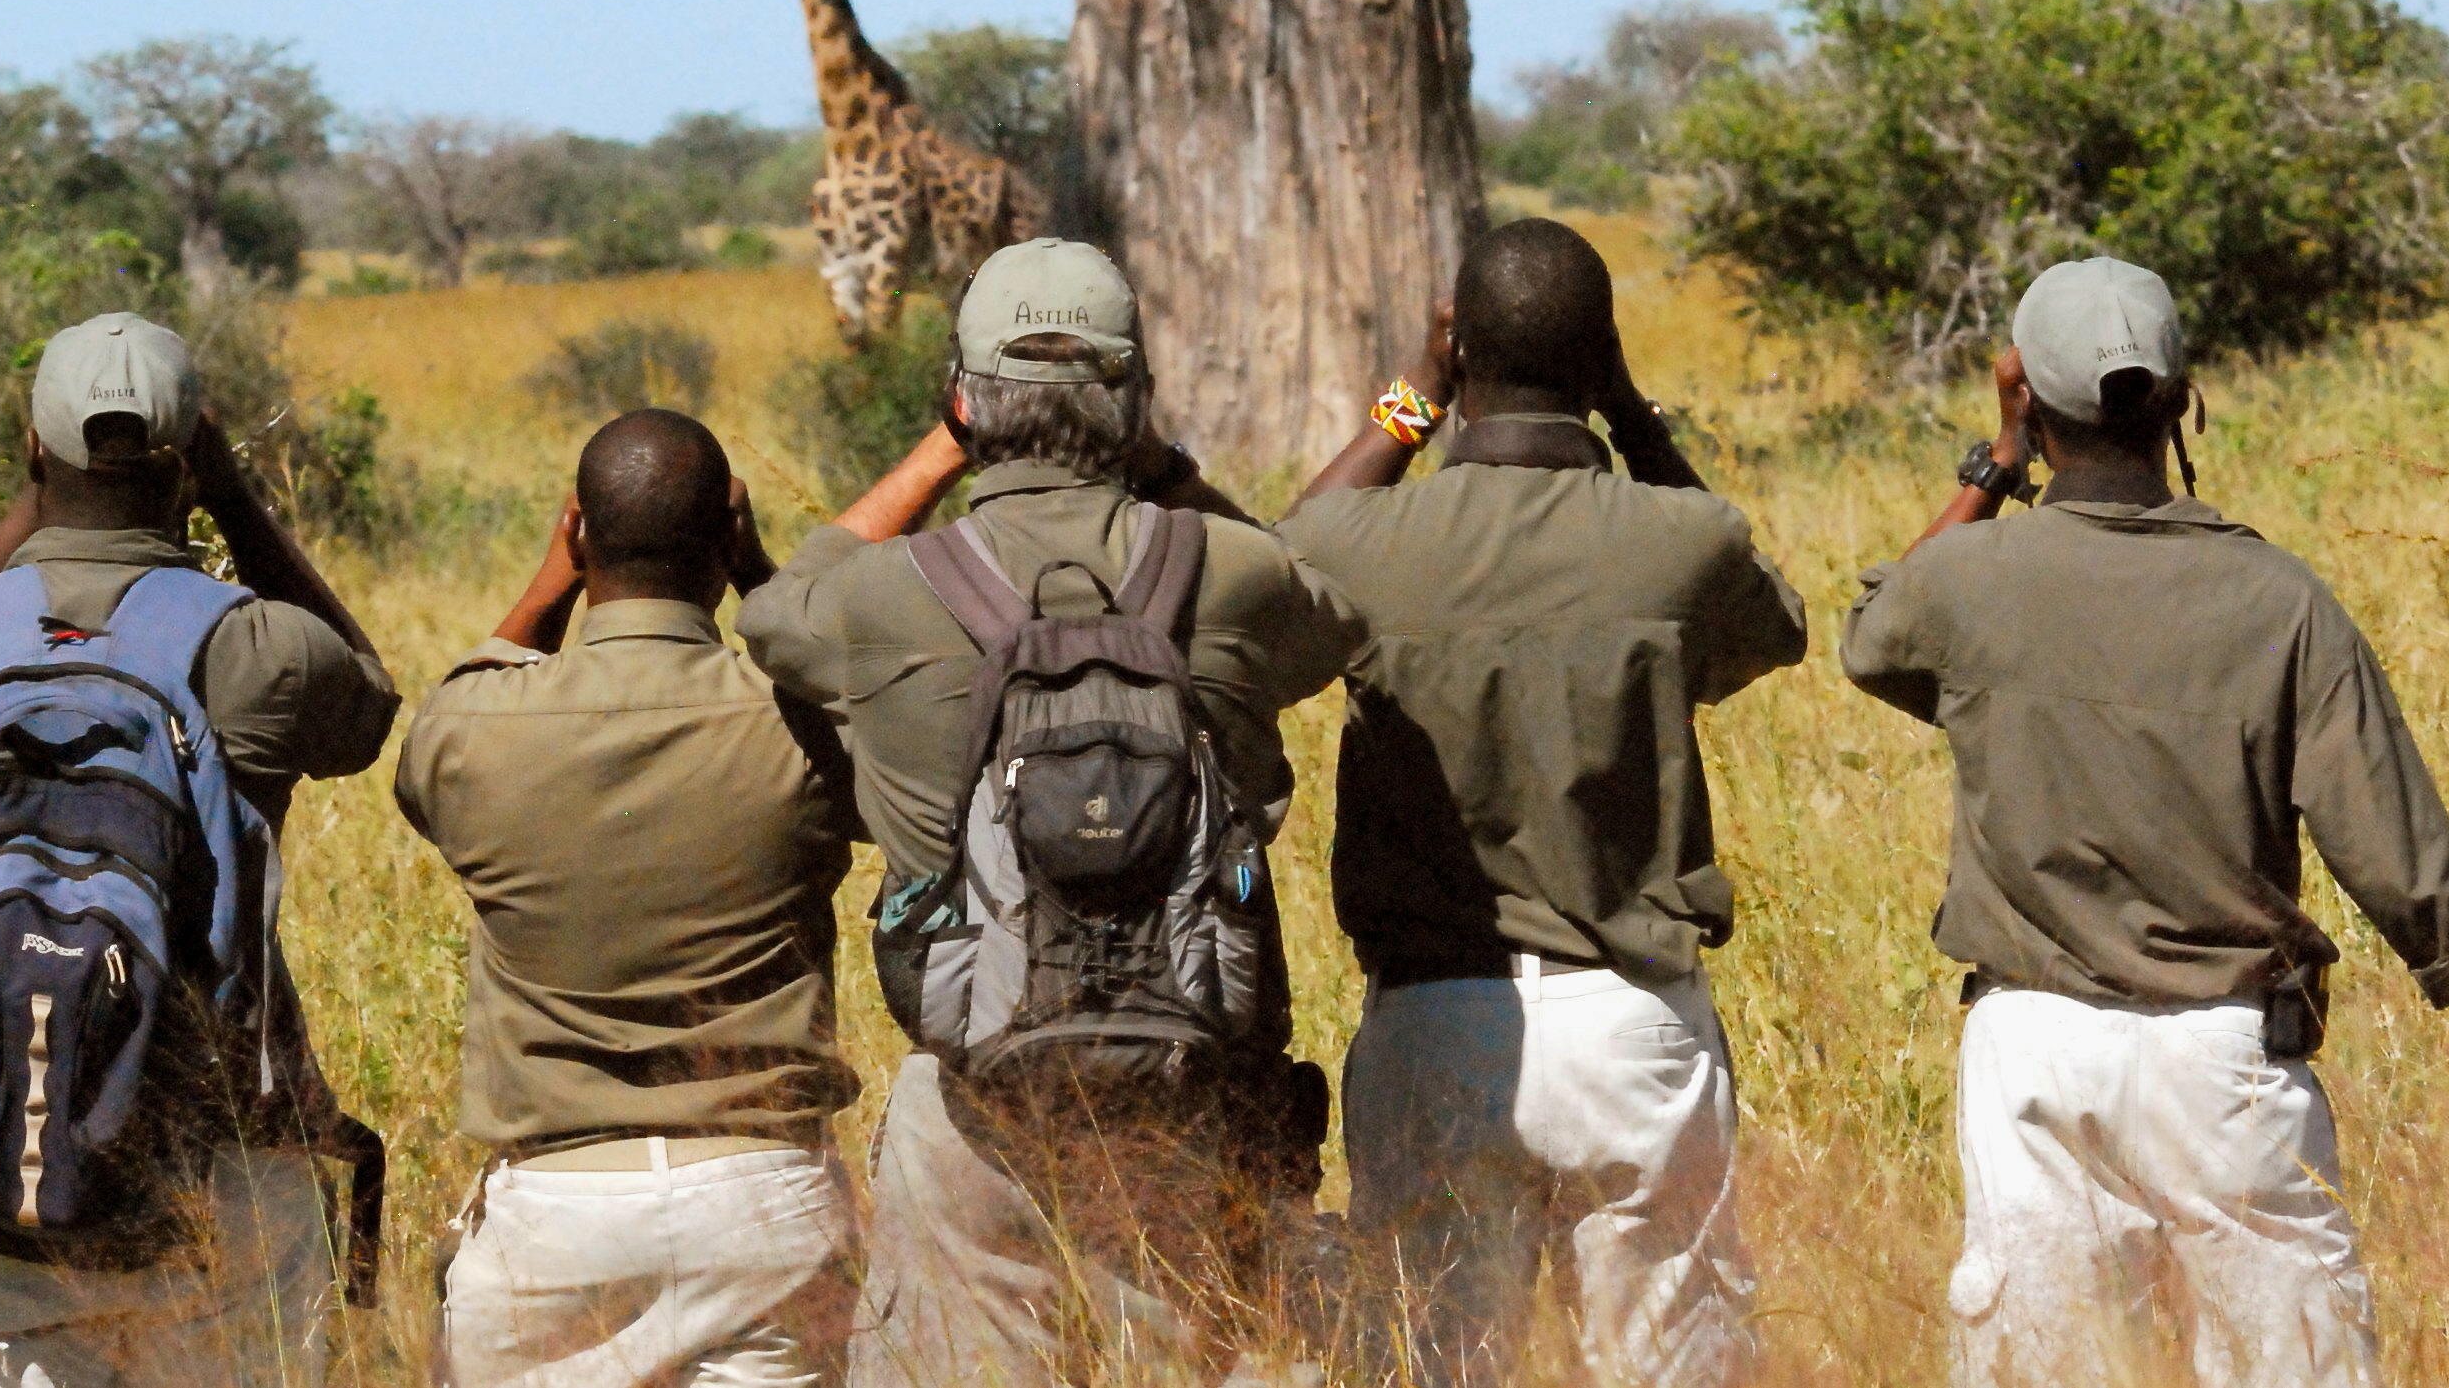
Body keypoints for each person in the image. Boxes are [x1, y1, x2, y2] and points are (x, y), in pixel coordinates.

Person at [1840, 257, 2449, 1387]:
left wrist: (1995, 461)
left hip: (2024, 1056)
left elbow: (1869, 630)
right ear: (2181, 400)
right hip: (2220, 1066)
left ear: (2023, 390)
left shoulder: (1966, 582)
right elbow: (2406, 876)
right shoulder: (2279, 601)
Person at [735, 239, 1364, 1387]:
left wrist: (939, 450)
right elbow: (1328, 612)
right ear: (1128, 401)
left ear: (965, 400)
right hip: (1195, 1099)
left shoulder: (886, 595)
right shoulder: (1224, 569)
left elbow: (774, 610)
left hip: (974, 1095)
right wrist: (1161, 465)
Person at [1275, 217, 1806, 1387]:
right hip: (1631, 1027)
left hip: (1435, 1028)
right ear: (1601, 355)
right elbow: (1769, 613)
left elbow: (1283, 554)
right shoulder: (1678, 539)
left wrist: (1411, 397)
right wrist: (1633, 417)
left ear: (1457, 353)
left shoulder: (1370, 545)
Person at [0, 312, 399, 1388]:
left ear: (32, 450)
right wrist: (233, 494)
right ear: (186, 463)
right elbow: (368, 700)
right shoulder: (256, 648)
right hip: (216, 1176)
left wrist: (29, 506)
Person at [394, 409, 861, 1386]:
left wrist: (547, 584)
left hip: (552, 1216)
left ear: (576, 534)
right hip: (761, 1201)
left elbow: (440, 716)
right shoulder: (801, 732)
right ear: (727, 542)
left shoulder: (475, 731)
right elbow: (868, 721)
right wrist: (761, 577)